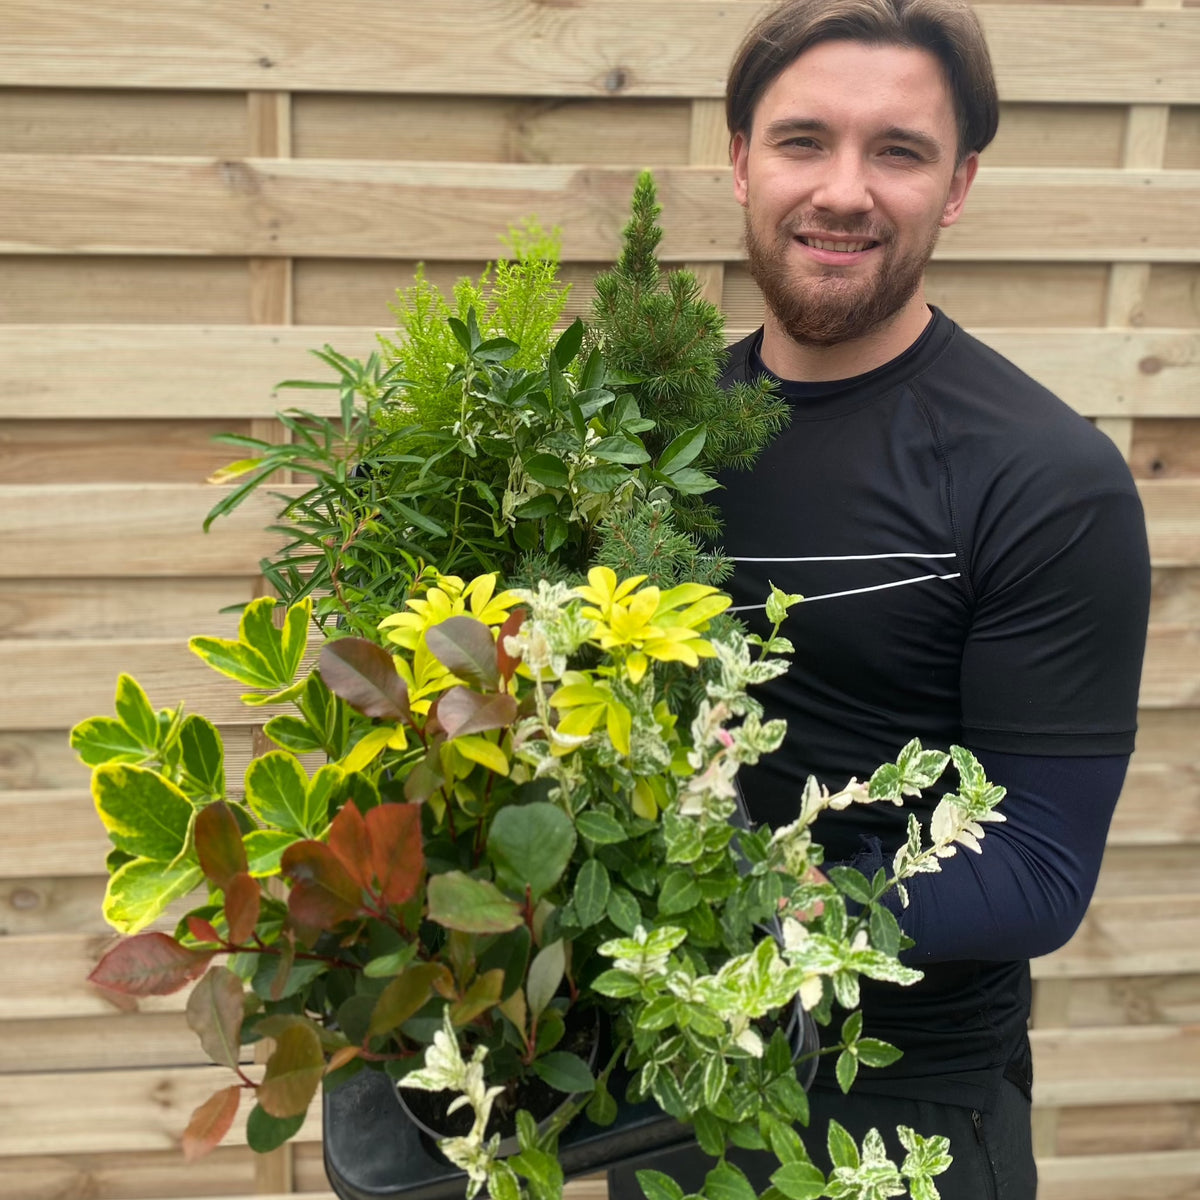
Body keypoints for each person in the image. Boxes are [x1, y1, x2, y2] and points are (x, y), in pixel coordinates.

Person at [608, 0, 1151, 1196]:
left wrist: (743, 920)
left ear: (956, 185)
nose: (844, 190)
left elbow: (1040, 866)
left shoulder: (1042, 478)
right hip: (655, 1089)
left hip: (898, 1115)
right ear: (741, 158)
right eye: (805, 141)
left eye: (897, 151)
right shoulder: (637, 437)